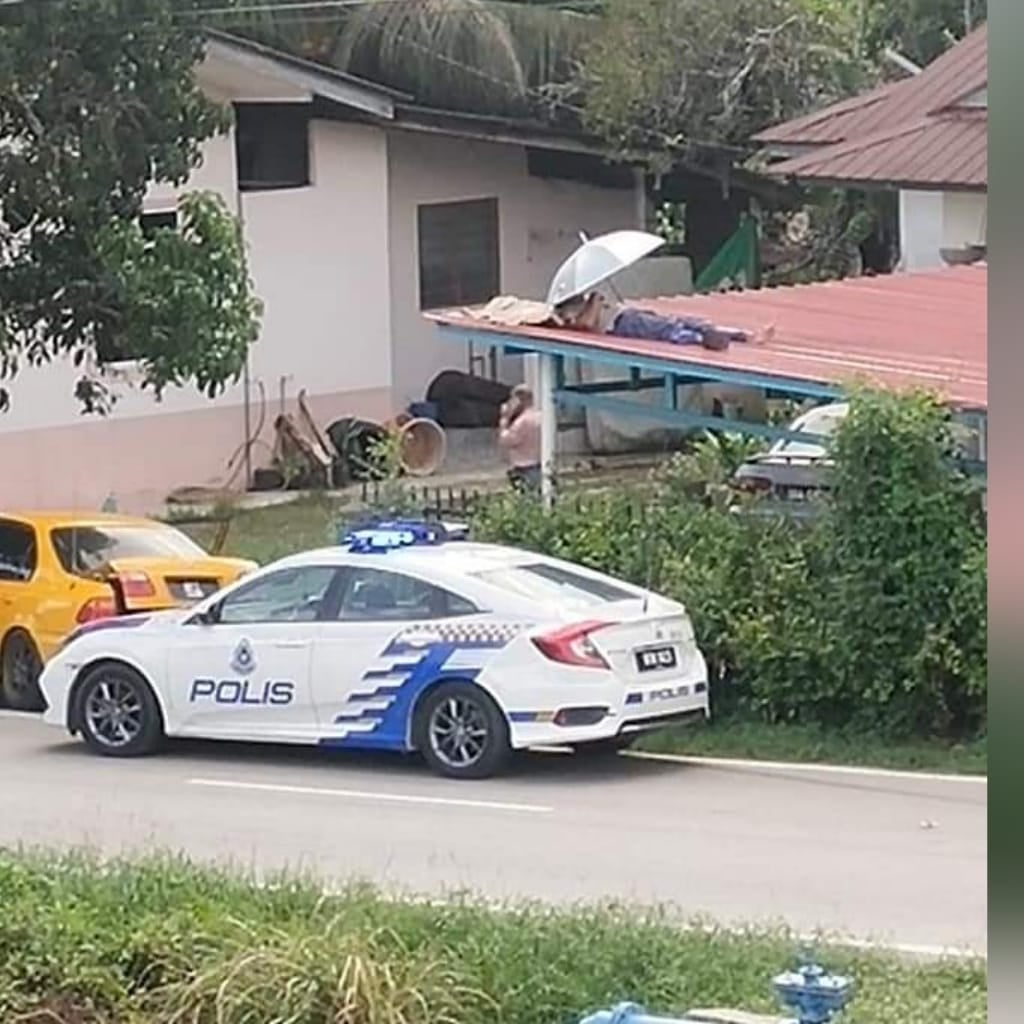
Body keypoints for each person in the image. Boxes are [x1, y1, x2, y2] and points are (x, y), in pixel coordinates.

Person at [497, 384, 542, 493]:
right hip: (538, 463)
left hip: (524, 466)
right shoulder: (540, 416)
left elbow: (506, 440)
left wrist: (504, 419)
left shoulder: (521, 422)